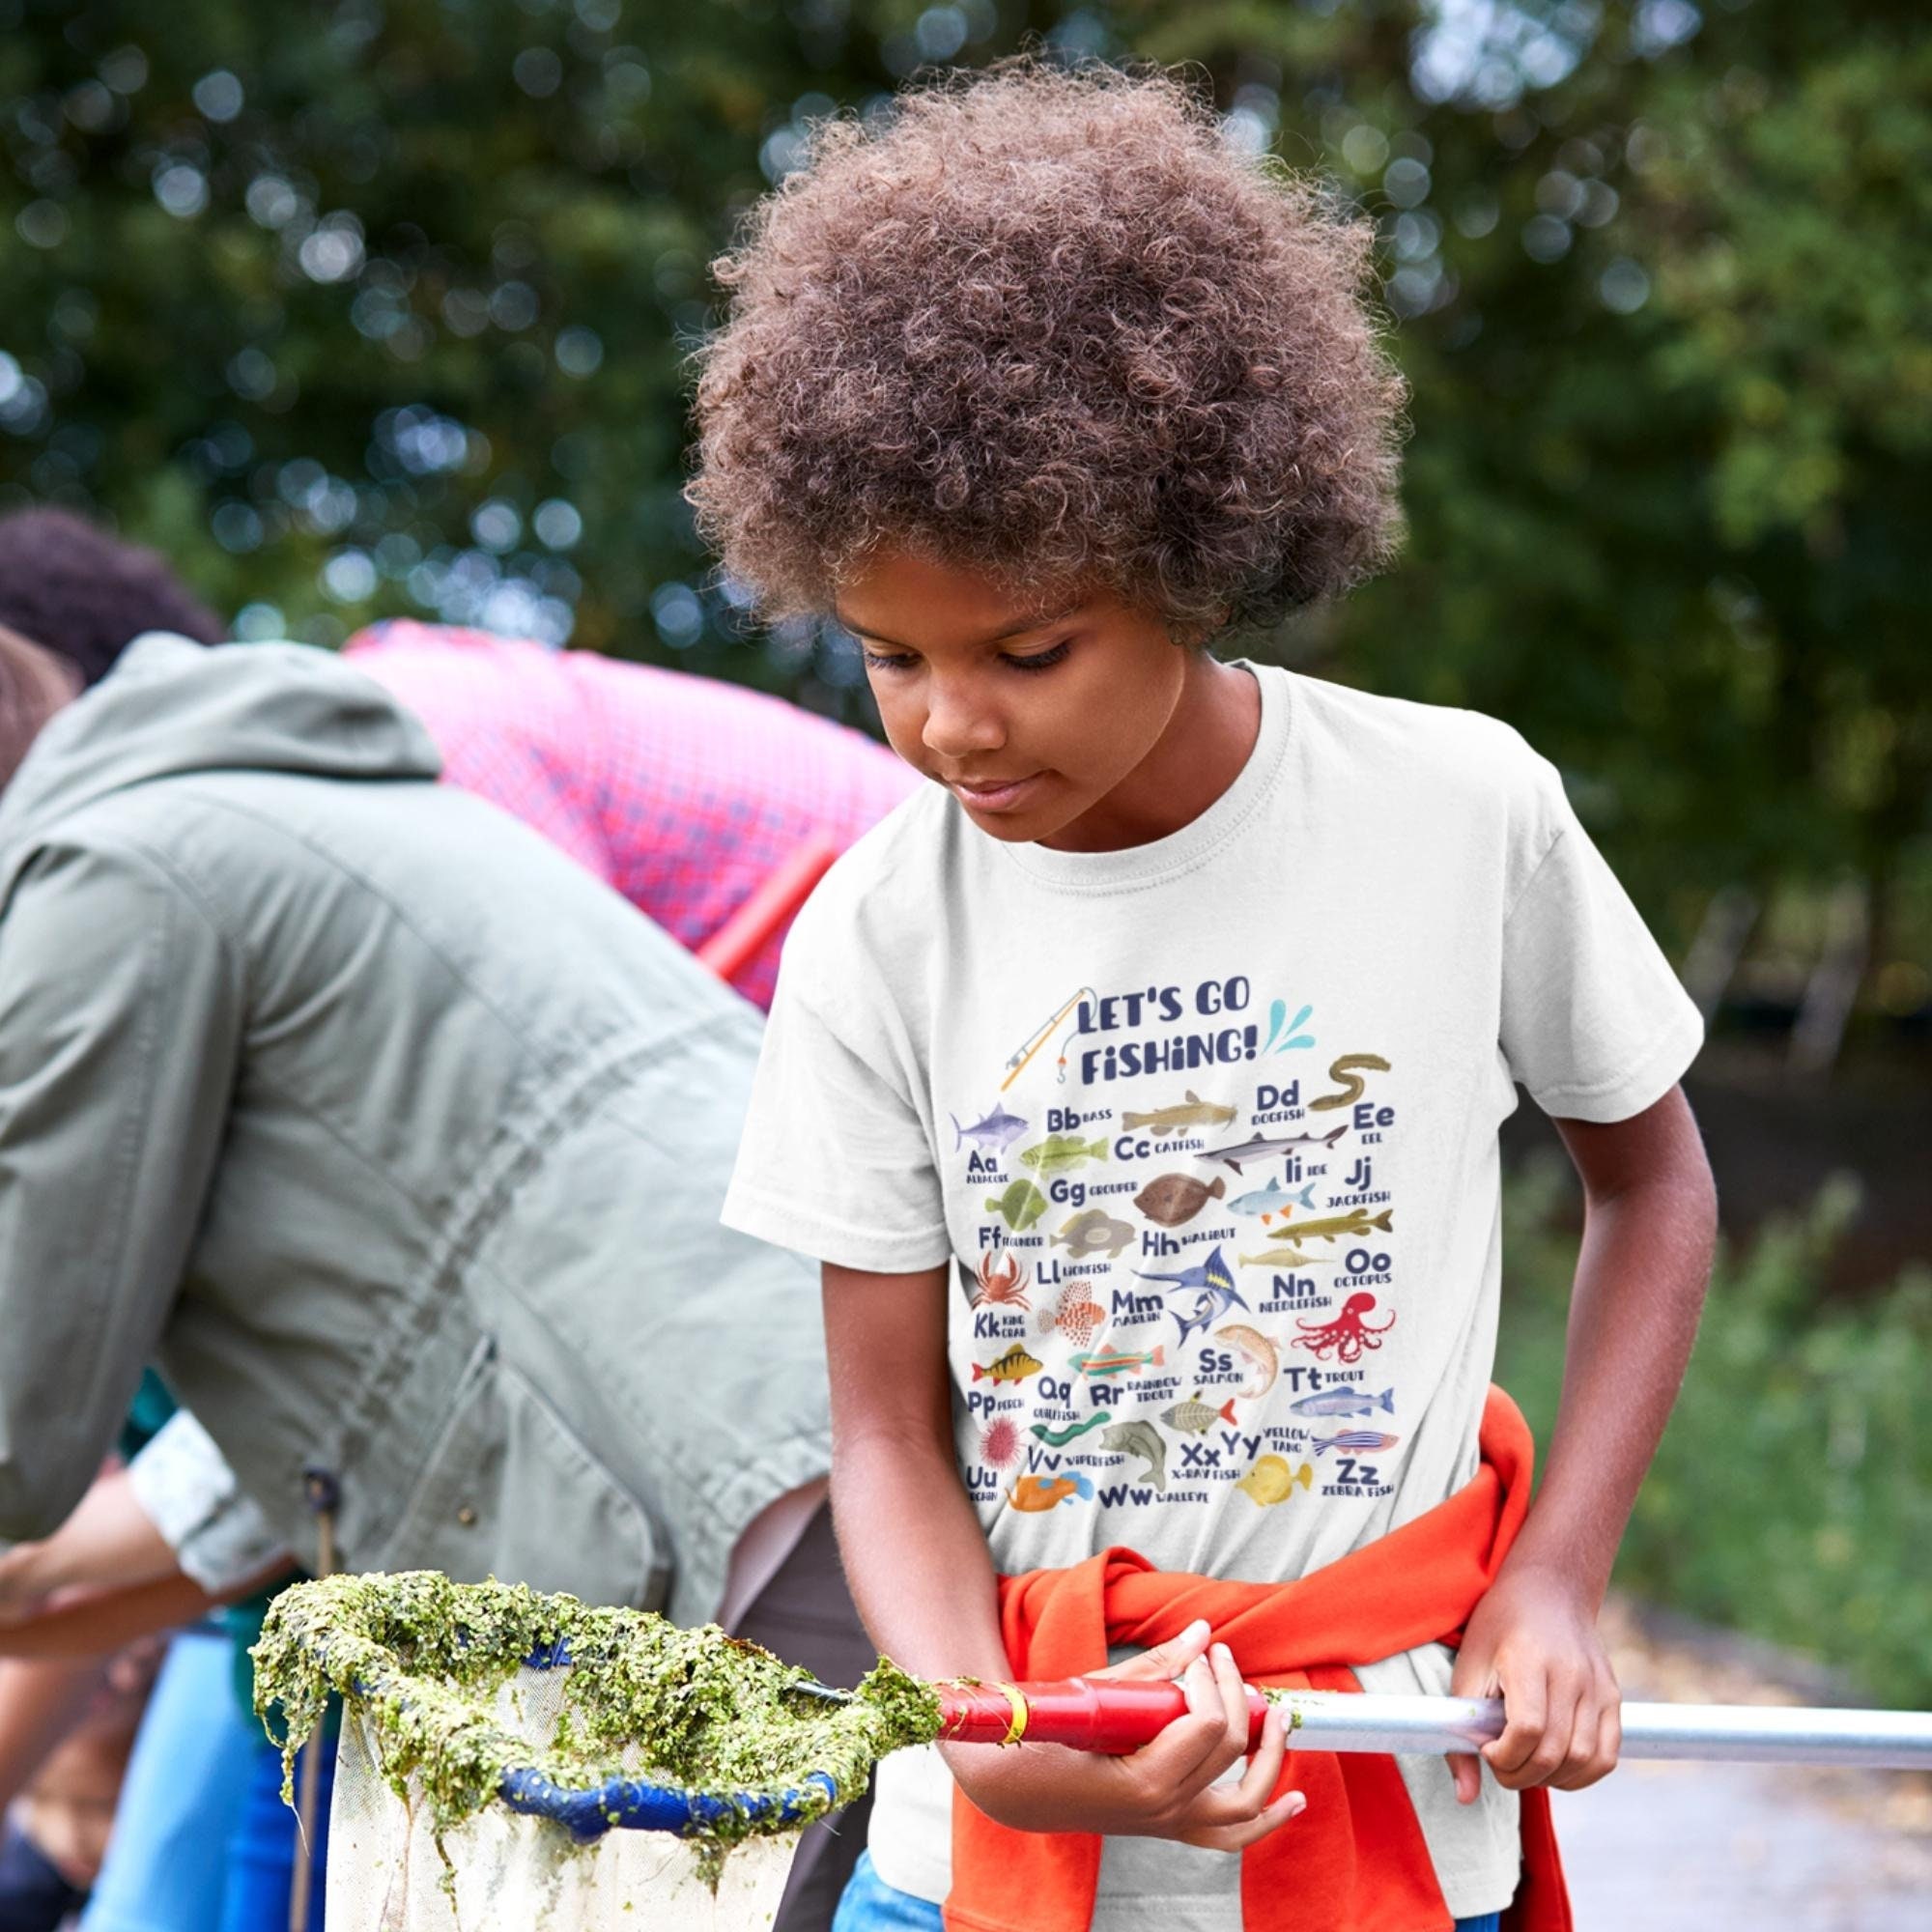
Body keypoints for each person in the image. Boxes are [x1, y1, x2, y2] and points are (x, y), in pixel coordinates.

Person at [704, 61, 1719, 1932]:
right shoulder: (870, 930)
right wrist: (979, 1718)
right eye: (888, 656)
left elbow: (1652, 1184)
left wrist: (1558, 1573)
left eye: (1026, 646)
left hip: (1397, 1814)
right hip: (983, 1859)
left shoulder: (1456, 807)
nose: (950, 722)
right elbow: (881, 1432)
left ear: (1189, 553)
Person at [0, 615, 864, 1929]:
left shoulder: (112, 880)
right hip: (784, 1445)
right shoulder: (265, 814)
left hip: (720, 1502)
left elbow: (16, 1436)